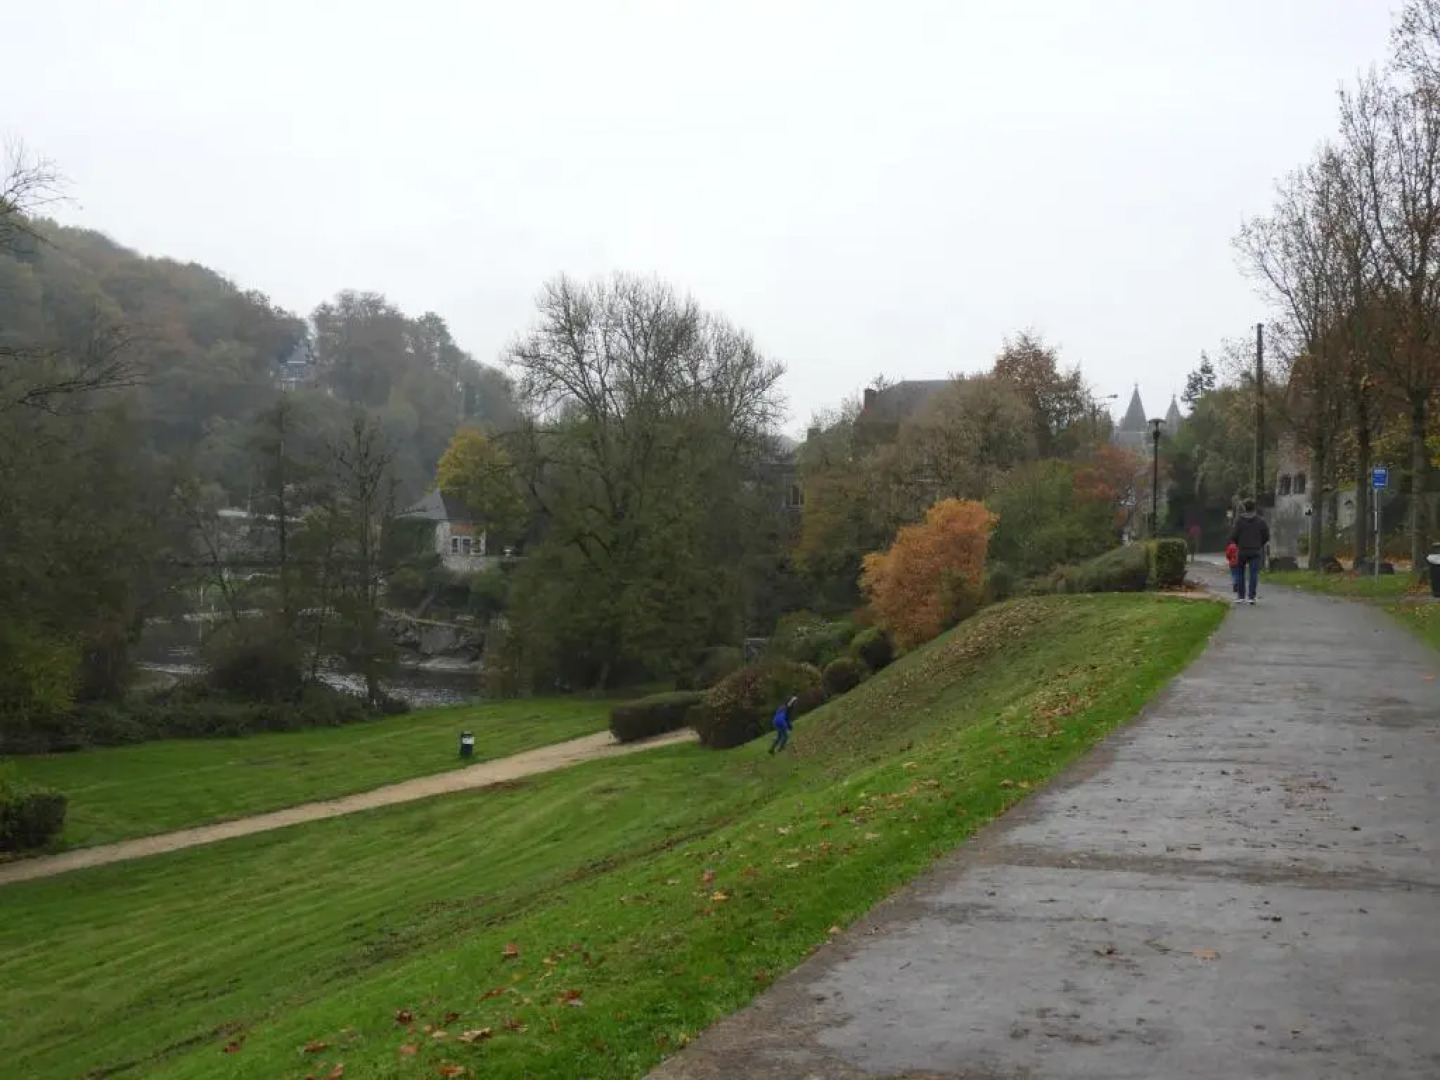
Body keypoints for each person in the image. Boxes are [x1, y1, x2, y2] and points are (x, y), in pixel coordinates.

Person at [1228, 498, 1271, 605]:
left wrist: (1238, 543)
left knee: (1240, 573)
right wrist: (1259, 544)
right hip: (1255, 551)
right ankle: (1251, 597)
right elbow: (1266, 536)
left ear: (1244, 508)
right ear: (1254, 507)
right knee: (1253, 574)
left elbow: (1233, 536)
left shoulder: (1239, 521)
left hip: (1242, 550)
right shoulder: (1261, 521)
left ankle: (1241, 596)